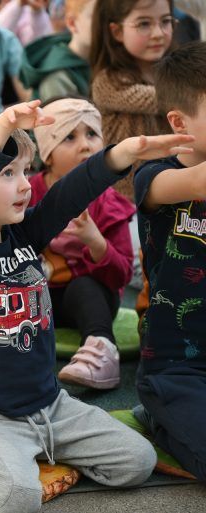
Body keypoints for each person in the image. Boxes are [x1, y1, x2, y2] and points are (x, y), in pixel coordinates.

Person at [0, 99, 193, 512]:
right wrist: (4, 126)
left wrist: (124, 154)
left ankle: (33, 450)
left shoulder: (22, 233)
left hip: (51, 406)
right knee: (15, 498)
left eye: (25, 170)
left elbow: (68, 194)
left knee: (137, 462)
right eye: (8, 174)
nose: (26, 184)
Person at [132, 41, 206, 483]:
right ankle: (158, 416)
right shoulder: (154, 176)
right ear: (180, 124)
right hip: (176, 366)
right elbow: (197, 180)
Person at [30, 98, 135, 390]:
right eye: (69, 137)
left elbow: (121, 275)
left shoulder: (109, 204)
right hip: (40, 299)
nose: (85, 146)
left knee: (83, 287)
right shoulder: (26, 193)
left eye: (92, 134)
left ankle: (102, 350)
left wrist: (95, 240)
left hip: (94, 299)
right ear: (47, 153)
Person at [89, 0, 174, 201]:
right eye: (144, 24)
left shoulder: (172, 75)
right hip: (125, 200)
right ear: (117, 31)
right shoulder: (109, 81)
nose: (158, 33)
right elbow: (162, 99)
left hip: (170, 186)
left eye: (166, 21)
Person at [20, 0, 95, 101]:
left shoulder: (104, 57)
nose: (106, 25)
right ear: (72, 23)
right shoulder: (58, 76)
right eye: (96, 18)